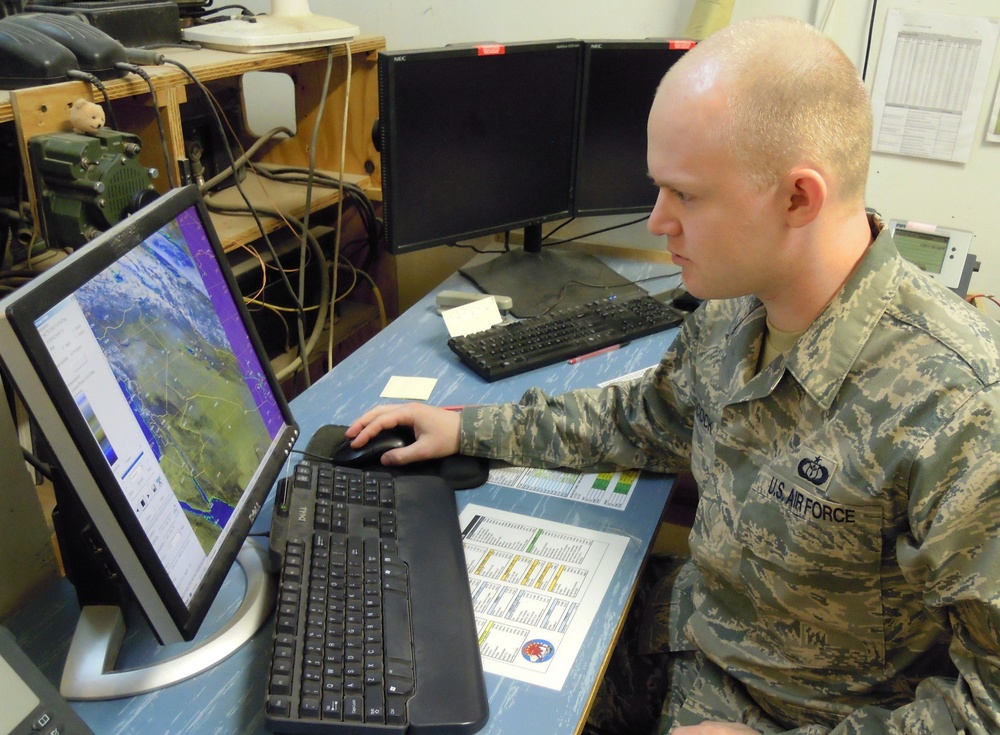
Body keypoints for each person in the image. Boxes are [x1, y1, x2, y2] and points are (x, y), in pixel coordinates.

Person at [347, 16, 1000, 735]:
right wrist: (470, 426)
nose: (658, 222)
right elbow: (645, 419)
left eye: (685, 195)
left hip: (795, 713)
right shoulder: (736, 309)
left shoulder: (958, 403)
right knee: (404, 666)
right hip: (682, 636)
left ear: (797, 199)